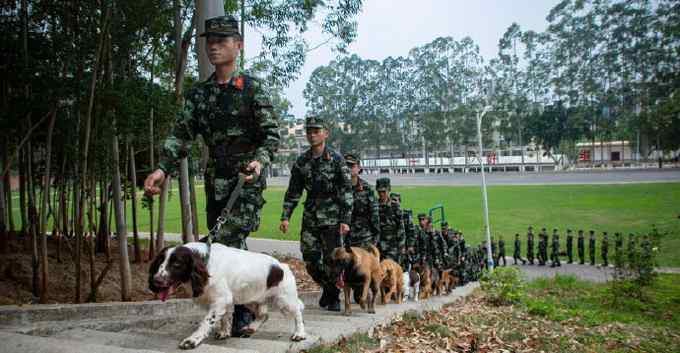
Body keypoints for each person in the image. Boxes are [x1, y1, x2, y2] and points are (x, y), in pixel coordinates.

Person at [143, 15, 280, 337]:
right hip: (215, 179)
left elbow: (271, 136)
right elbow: (180, 134)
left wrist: (259, 162)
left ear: (238, 45)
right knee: (220, 246)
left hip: (245, 180)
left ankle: (239, 314)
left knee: (230, 242)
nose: (214, 46)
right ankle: (240, 306)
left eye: (222, 40)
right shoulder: (199, 95)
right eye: (210, 41)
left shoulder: (252, 90)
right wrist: (163, 168)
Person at [279, 116, 353, 312]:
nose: (312, 135)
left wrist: (345, 220)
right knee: (310, 258)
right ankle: (329, 288)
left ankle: (334, 298)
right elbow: (293, 191)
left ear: (325, 133)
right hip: (311, 215)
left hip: (332, 216)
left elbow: (346, 190)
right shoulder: (302, 161)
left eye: (316, 131)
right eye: (309, 131)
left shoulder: (337, 160)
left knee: (333, 260)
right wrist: (286, 216)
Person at [345, 153, 380, 250]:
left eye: (352, 165)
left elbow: (374, 215)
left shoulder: (367, 189)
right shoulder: (338, 188)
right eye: (346, 165)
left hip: (363, 238)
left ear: (359, 168)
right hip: (343, 238)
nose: (349, 168)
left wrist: (376, 237)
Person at [376, 178, 405, 264]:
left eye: (384, 192)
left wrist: (401, 246)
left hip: (392, 247)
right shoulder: (374, 205)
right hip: (378, 246)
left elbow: (400, 227)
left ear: (389, 190)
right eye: (379, 192)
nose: (381, 194)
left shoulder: (395, 206)